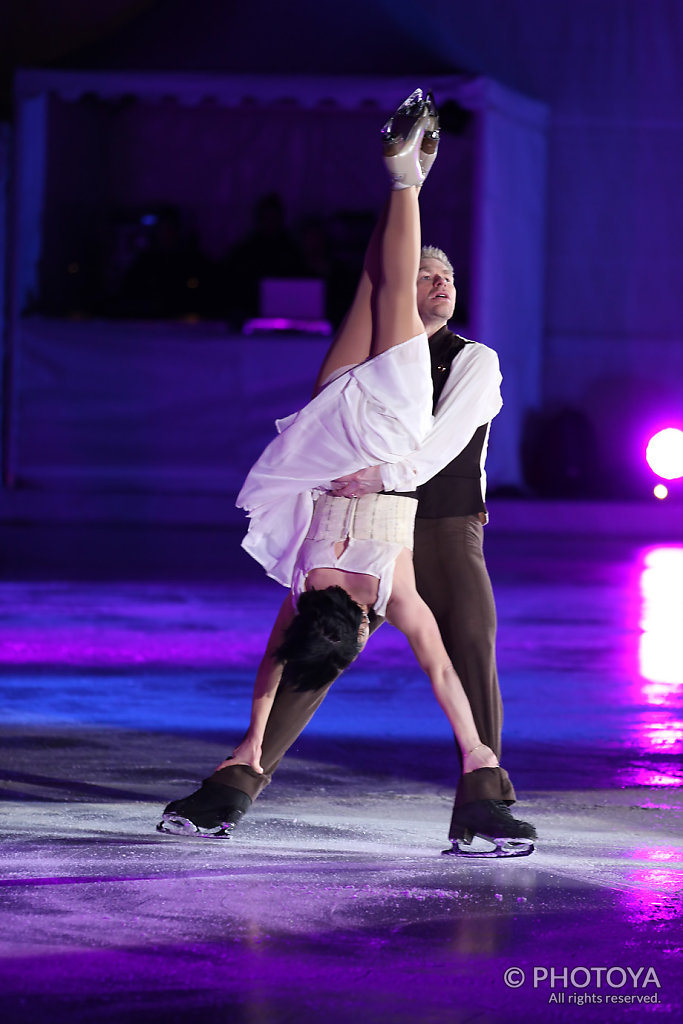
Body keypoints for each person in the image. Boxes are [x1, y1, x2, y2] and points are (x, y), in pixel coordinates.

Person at [158, 91, 536, 858]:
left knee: (468, 639)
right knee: (319, 647)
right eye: (426, 270)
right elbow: (381, 280)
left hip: (440, 515)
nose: (439, 282)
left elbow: (437, 448)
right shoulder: (386, 356)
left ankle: (482, 793)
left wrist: (367, 477)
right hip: (371, 483)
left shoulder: (475, 361)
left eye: (446, 276)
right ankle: (239, 777)